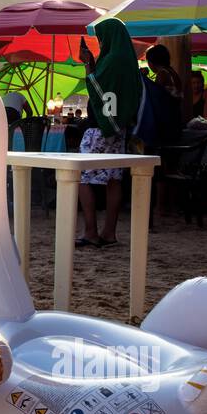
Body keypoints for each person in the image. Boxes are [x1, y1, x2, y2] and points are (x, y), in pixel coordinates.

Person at [76, 18, 141, 248]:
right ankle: (109, 233)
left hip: (98, 128)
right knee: (114, 179)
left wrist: (87, 65)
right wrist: (93, 62)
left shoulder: (112, 59)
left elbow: (96, 86)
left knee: (82, 177)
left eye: (101, 38)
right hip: (118, 127)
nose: (100, 43)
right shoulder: (128, 59)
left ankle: (91, 231)